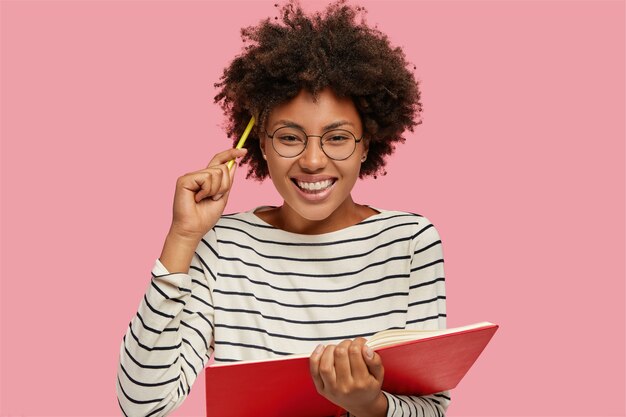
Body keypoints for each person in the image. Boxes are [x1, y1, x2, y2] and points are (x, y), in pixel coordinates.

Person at [116, 1, 449, 416]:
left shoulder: (409, 241)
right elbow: (142, 405)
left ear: (366, 145)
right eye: (290, 138)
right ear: (261, 146)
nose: (312, 160)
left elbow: (432, 409)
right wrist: (182, 237)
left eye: (338, 138)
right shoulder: (223, 245)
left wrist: (369, 405)